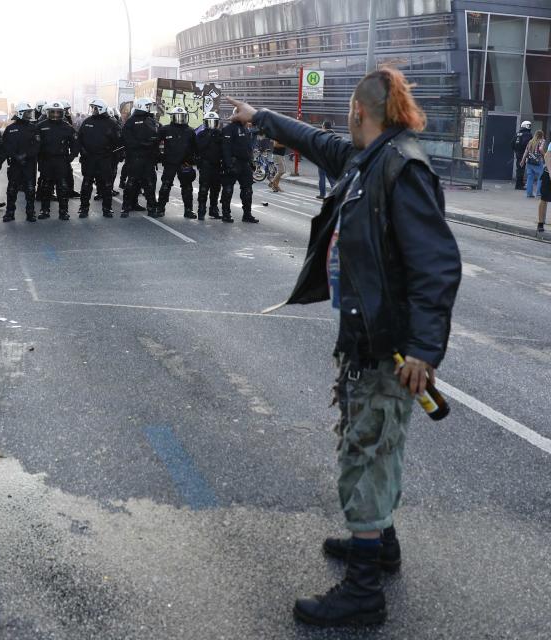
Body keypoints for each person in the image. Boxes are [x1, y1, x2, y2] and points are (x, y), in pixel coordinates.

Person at [230, 66, 462, 628]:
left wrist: (425, 351)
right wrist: (258, 117)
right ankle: (379, 545)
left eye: (350, 117)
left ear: (360, 112)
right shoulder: (369, 158)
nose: (346, 126)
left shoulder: (400, 169)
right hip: (366, 335)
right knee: (373, 441)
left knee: (367, 451)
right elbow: (316, 141)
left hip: (390, 346)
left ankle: (363, 592)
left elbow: (437, 265)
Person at [76, 98, 121, 218]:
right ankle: (83, 208)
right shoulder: (87, 121)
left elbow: (119, 142)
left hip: (104, 159)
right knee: (86, 184)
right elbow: (79, 139)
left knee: (107, 185)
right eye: (93, 108)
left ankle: (107, 209)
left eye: (95, 108)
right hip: (89, 159)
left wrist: (113, 155)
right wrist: (82, 151)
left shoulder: (112, 123)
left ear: (101, 109)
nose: (93, 110)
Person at [36, 100, 79, 220]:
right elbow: (35, 144)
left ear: (62, 113)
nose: (55, 115)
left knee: (63, 187)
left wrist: (71, 157)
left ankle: (63, 211)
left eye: (58, 112)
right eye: (52, 112)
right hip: (46, 161)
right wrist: (39, 158)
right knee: (46, 187)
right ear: (47, 112)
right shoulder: (40, 126)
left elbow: (75, 143)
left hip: (61, 161)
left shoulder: (67, 127)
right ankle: (45, 211)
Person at [1, 102, 40, 222]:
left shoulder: (34, 128)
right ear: (20, 113)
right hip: (15, 163)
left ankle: (30, 212)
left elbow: (37, 145)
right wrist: (15, 156)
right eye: (27, 112)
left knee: (30, 189)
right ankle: (10, 212)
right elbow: (5, 145)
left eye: (30, 112)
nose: (29, 115)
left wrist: (26, 155)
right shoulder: (10, 128)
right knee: (12, 189)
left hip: (29, 163)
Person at [121, 97, 160, 218]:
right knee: (132, 183)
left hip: (148, 158)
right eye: (149, 106)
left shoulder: (151, 120)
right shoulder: (131, 121)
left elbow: (158, 136)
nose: (151, 109)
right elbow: (126, 139)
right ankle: (126, 207)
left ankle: (151, 208)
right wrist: (143, 144)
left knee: (149, 183)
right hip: (135, 158)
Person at [157, 106, 198, 218]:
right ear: (172, 117)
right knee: (166, 185)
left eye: (182, 116)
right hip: (170, 162)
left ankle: (188, 210)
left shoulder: (190, 131)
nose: (180, 119)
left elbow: (196, 148)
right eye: (177, 117)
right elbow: (155, 142)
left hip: (185, 163)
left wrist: (195, 161)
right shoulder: (165, 129)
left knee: (187, 187)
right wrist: (159, 156)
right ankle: (160, 208)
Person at [219, 108, 258, 224]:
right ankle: (226, 214)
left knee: (248, 190)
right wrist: (228, 164)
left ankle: (247, 214)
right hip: (233, 163)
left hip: (244, 163)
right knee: (228, 189)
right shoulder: (228, 129)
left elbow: (248, 147)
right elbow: (225, 148)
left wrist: (251, 161)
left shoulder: (245, 129)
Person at [196, 111, 223, 219]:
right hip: (205, 165)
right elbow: (199, 148)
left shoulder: (220, 134)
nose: (212, 125)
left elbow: (224, 149)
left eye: (214, 122)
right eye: (209, 122)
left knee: (215, 189)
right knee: (203, 189)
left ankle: (213, 209)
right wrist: (209, 136)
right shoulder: (201, 134)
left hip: (217, 165)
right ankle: (201, 210)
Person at [521, 130, 545, 198]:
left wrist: (522, 160)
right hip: (538, 162)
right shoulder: (542, 141)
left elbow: (526, 151)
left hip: (529, 161)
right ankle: (538, 193)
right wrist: (545, 154)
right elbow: (540, 149)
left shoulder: (531, 141)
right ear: (541, 135)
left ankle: (529, 194)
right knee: (541, 177)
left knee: (530, 177)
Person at [317, 120, 337, 199]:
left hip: (322, 159)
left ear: (324, 126)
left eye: (322, 125)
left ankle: (322, 194)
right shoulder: (334, 135)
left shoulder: (322, 135)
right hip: (331, 160)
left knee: (322, 177)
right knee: (331, 178)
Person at [513, 121, 533, 190]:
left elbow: (512, 143)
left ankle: (520, 183)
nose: (530, 127)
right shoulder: (528, 134)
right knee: (521, 169)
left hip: (518, 153)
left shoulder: (518, 133)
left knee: (519, 168)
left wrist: (516, 151)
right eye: (529, 125)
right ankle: (518, 185)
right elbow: (527, 144)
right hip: (524, 153)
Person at [538, 142, 551, 234]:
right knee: (544, 198)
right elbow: (547, 156)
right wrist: (550, 172)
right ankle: (540, 223)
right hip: (548, 173)